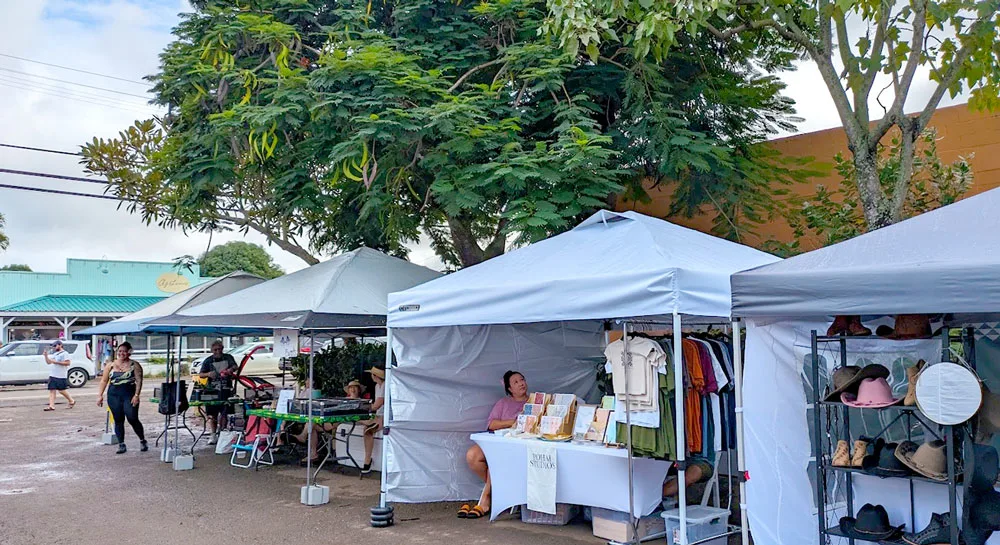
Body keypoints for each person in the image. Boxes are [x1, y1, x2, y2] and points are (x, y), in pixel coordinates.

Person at [458, 370, 529, 519]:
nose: (521, 383)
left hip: (518, 445)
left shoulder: (534, 401)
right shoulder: (503, 403)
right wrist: (512, 422)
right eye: (515, 382)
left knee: (494, 460)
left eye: (522, 380)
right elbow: (492, 424)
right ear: (509, 388)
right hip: (498, 440)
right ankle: (501, 491)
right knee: (472, 455)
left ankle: (486, 498)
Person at [96, 342, 147, 454]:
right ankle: (121, 444)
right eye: (120, 351)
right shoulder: (110, 365)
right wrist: (100, 395)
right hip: (114, 395)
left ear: (129, 352)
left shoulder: (135, 365)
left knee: (132, 418)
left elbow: (139, 381)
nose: (121, 353)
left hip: (129, 394)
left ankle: (142, 440)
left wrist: (137, 395)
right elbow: (104, 381)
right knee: (118, 419)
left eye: (124, 351)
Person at [198, 340, 238, 444]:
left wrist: (230, 370)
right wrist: (208, 374)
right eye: (215, 350)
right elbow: (201, 374)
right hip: (212, 390)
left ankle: (223, 433)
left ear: (223, 349)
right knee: (212, 414)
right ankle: (213, 434)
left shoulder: (228, 357)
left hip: (226, 389)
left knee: (225, 413)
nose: (217, 351)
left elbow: (235, 366)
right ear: (212, 350)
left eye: (219, 349)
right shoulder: (208, 360)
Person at [361, 366, 387, 474]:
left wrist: (360, 407)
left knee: (366, 427)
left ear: (375, 376)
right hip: (379, 416)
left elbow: (376, 406)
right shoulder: (377, 386)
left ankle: (367, 461)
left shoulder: (385, 386)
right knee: (367, 430)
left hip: (386, 416)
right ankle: (367, 460)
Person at [42, 340, 75, 411]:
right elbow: (49, 362)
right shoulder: (55, 354)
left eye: (55, 346)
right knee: (52, 390)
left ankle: (71, 400)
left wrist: (56, 362)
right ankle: (51, 405)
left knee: (62, 390)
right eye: (53, 346)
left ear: (60, 345)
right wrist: (46, 356)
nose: (54, 347)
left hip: (61, 375)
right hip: (53, 374)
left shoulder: (65, 353)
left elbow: (67, 363)